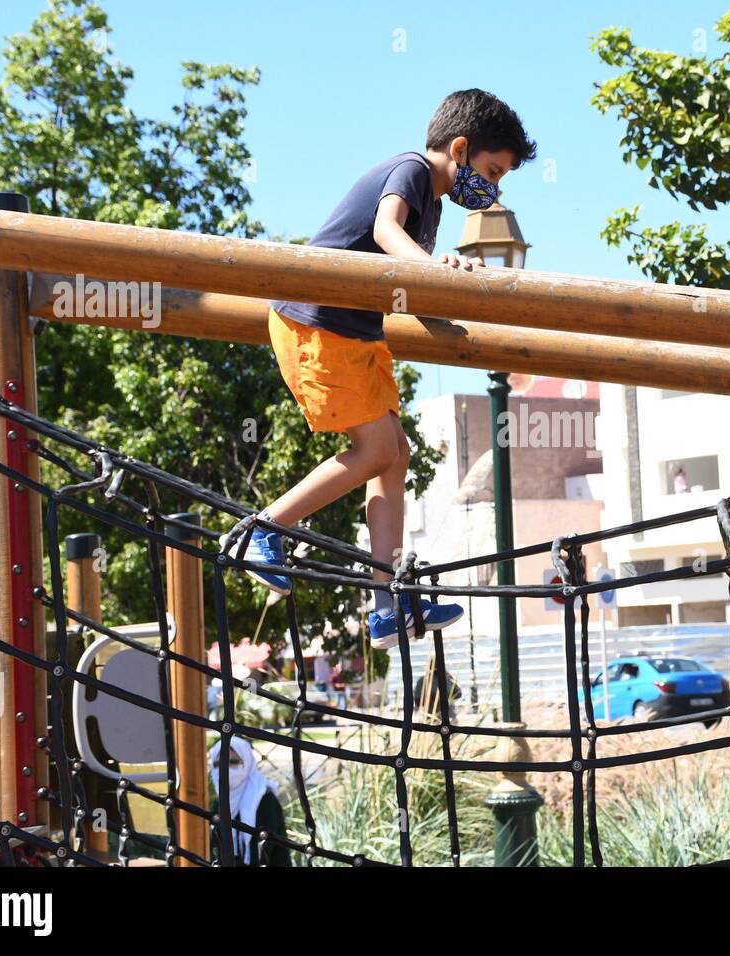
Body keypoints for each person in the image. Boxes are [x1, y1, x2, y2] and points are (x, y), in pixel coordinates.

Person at [226, 89, 537, 652]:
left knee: (396, 451)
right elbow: (386, 232)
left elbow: (406, 282)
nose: (492, 190)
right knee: (373, 451)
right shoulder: (413, 170)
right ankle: (264, 531)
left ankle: (386, 601)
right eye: (491, 172)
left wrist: (451, 312)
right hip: (317, 323)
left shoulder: (436, 204)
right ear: (460, 149)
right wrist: (436, 267)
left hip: (358, 334)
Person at [208, 737, 291, 867]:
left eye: (233, 761)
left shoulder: (264, 799)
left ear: (247, 763)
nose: (225, 769)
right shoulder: (219, 803)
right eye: (218, 764)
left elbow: (264, 851)